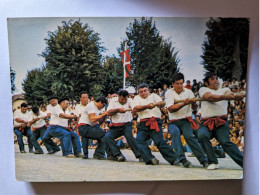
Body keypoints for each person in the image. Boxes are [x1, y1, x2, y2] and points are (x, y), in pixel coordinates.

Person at [198, 74, 244, 170]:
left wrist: (235, 96)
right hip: (206, 122)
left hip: (221, 122)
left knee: (225, 142)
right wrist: (226, 97)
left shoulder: (225, 90)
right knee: (202, 135)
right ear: (206, 83)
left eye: (216, 79)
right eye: (212, 79)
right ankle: (213, 161)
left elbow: (230, 94)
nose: (215, 80)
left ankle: (245, 163)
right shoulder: (203, 89)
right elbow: (210, 97)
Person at [165, 73, 208, 168]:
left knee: (189, 137)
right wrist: (184, 103)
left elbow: (195, 108)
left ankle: (203, 160)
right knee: (175, 133)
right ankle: (182, 159)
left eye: (181, 83)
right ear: (173, 84)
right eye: (177, 83)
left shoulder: (189, 92)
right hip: (173, 122)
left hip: (186, 120)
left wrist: (193, 103)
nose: (179, 86)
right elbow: (171, 108)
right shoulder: (169, 93)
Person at [132, 83, 178, 165]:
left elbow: (162, 103)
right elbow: (135, 109)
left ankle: (173, 159)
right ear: (139, 92)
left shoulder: (154, 96)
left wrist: (161, 104)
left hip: (155, 121)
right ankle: (150, 158)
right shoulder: (136, 98)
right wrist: (147, 106)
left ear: (148, 90)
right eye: (141, 92)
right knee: (139, 140)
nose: (143, 93)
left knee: (159, 141)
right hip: (143, 123)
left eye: (145, 91)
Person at [104, 89, 142, 162]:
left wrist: (134, 109)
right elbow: (108, 112)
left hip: (126, 124)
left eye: (125, 99)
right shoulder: (113, 101)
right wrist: (118, 110)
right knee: (107, 137)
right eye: (122, 99)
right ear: (118, 96)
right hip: (115, 126)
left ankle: (140, 155)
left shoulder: (130, 100)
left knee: (129, 137)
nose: (124, 101)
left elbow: (134, 108)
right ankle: (118, 154)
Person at [74, 91, 90, 159]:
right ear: (80, 98)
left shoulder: (91, 104)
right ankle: (85, 153)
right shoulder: (78, 106)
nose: (85, 99)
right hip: (83, 124)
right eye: (83, 97)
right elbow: (78, 115)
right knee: (84, 136)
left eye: (86, 97)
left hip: (91, 123)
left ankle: (99, 153)